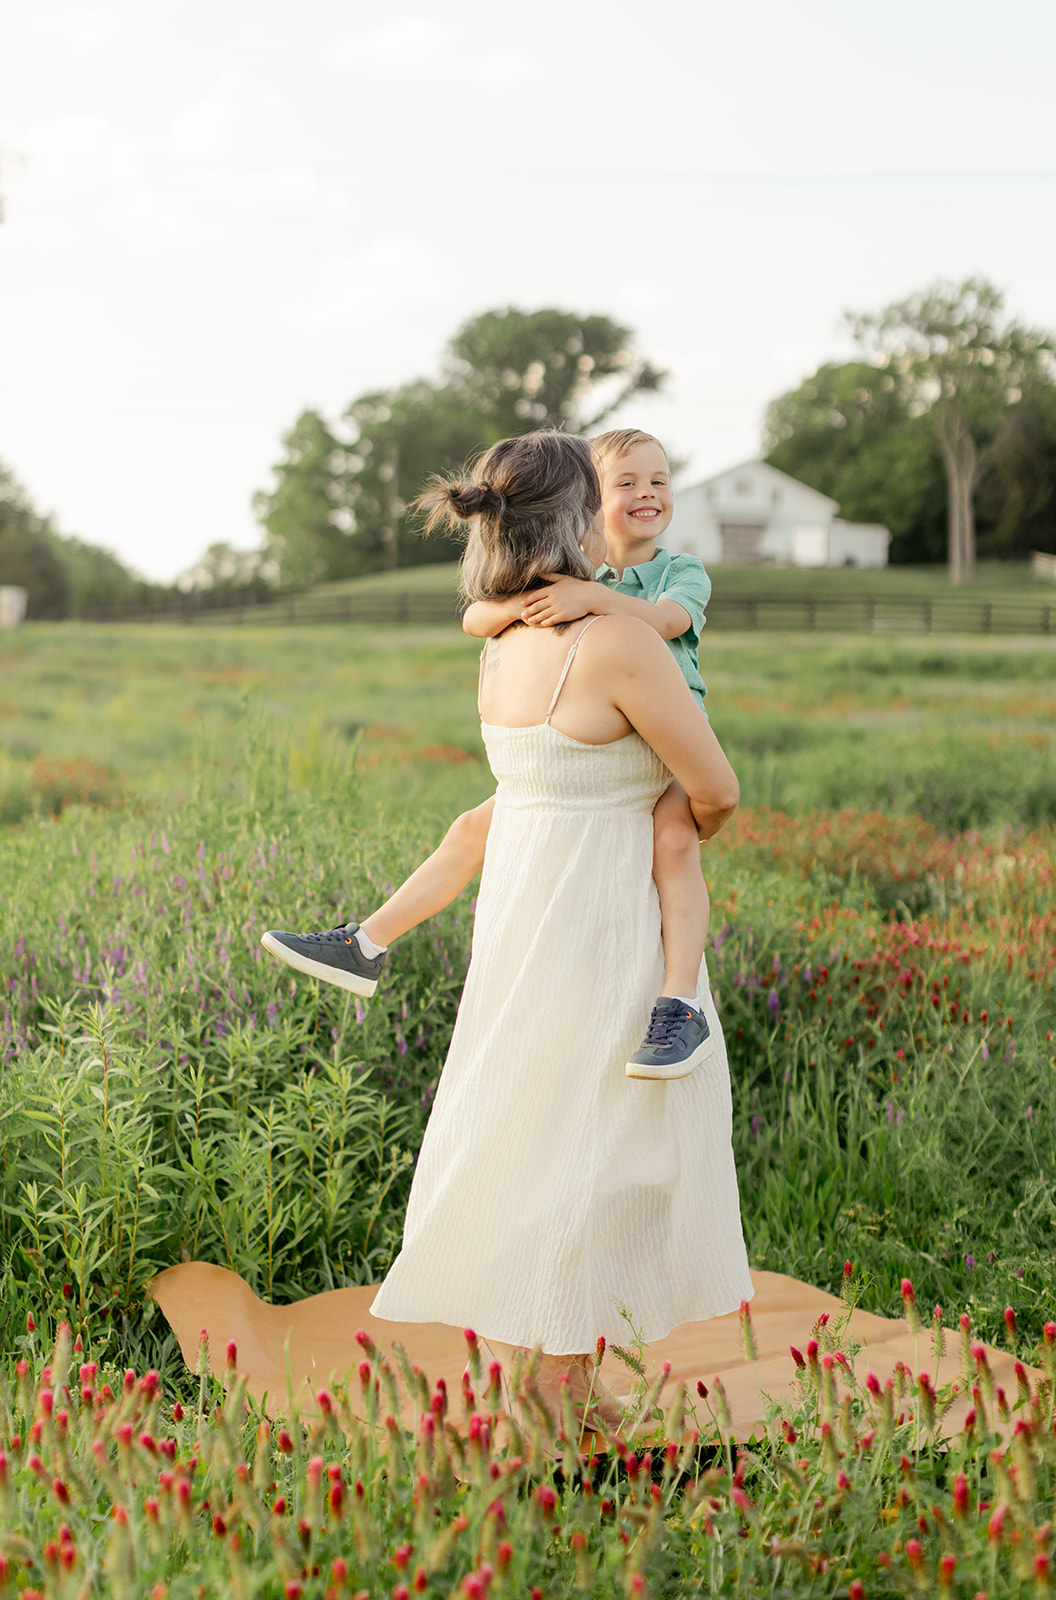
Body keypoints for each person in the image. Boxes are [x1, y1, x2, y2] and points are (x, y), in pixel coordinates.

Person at [361, 430, 752, 1426]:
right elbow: (714, 786)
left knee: (534, 1131)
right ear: (580, 519)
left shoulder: (496, 643)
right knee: (608, 1150)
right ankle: (553, 1394)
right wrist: (674, 826)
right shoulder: (616, 639)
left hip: (524, 915)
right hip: (608, 912)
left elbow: (526, 788)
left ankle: (537, 1382)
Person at [261, 431, 715, 1079]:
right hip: (610, 740)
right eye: (625, 483)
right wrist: (537, 603)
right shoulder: (578, 574)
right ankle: (365, 942)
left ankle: (679, 1002)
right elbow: (477, 617)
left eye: (659, 481)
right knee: (469, 827)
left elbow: (668, 622)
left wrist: (592, 600)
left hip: (674, 733)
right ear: (587, 508)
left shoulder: (675, 572)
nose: (647, 493)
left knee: (674, 843)